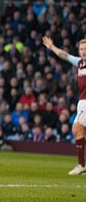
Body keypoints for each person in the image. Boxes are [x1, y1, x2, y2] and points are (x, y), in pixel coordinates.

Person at [42, 36, 86, 175]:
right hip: (82, 101)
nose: (84, 51)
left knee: (76, 128)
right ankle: (82, 165)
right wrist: (52, 47)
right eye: (81, 49)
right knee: (79, 131)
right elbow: (65, 56)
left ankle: (81, 165)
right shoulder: (80, 63)